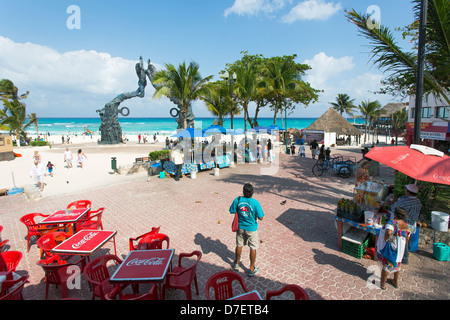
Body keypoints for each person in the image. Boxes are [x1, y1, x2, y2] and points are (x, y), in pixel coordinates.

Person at [229, 183, 265, 277]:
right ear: (252, 192)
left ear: (243, 192)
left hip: (240, 227)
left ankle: (236, 264)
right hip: (252, 229)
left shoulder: (238, 199)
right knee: (253, 247)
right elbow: (261, 217)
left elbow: (231, 210)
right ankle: (251, 269)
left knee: (239, 244)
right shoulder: (255, 203)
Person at [376, 207, 411, 290]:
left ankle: (382, 284)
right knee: (397, 264)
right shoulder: (407, 226)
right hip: (400, 250)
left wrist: (387, 240)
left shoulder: (392, 223)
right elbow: (407, 238)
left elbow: (388, 231)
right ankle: (395, 281)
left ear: (394, 214)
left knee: (387, 265)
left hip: (391, 248)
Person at [390, 184, 422, 264]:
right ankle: (405, 254)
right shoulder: (418, 201)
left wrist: (393, 203)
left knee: (403, 241)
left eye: (406, 189)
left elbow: (394, 208)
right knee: (408, 240)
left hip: (403, 224)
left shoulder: (405, 201)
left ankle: (404, 258)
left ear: (407, 191)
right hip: (412, 223)